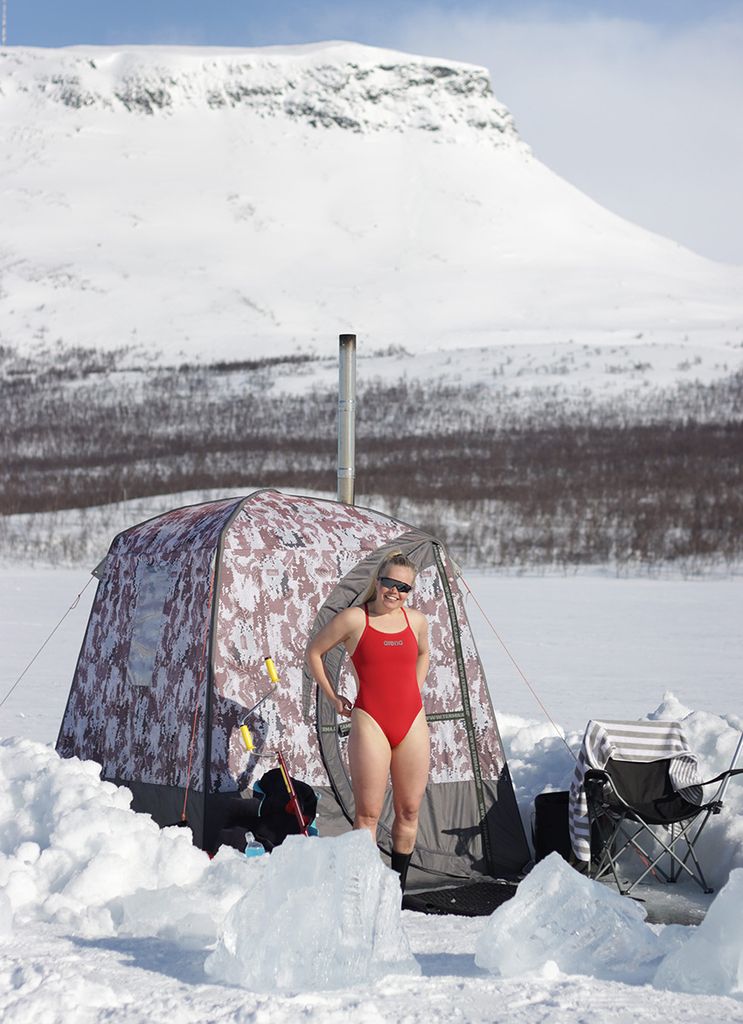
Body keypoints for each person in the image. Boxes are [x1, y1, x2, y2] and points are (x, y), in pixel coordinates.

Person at [306, 551, 430, 891]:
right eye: (390, 583)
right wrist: (333, 698)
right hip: (370, 720)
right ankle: (363, 889)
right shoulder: (354, 619)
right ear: (378, 581)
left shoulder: (416, 620)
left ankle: (397, 893)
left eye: (404, 588)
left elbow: (423, 652)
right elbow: (314, 652)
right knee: (368, 816)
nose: (395, 592)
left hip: (412, 723)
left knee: (408, 812)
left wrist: (414, 689)